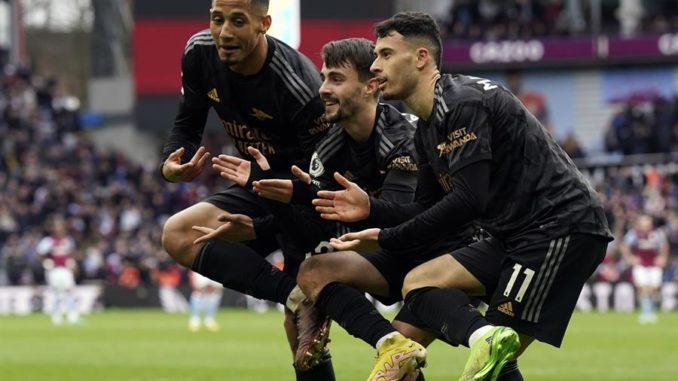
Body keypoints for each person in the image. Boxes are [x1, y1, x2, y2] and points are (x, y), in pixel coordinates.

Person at [313, 11, 613, 381]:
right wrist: (372, 209)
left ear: (421, 58)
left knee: (491, 366)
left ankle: (484, 338)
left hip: (558, 229)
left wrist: (387, 238)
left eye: (386, 54)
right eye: (375, 56)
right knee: (419, 284)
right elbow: (424, 206)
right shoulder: (426, 127)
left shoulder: (461, 103)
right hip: (511, 235)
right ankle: (482, 336)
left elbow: (468, 200)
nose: (375, 66)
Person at [197, 38, 476, 379]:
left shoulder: (403, 138)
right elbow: (313, 230)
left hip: (445, 256)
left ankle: (397, 343)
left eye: (336, 79)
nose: (324, 89)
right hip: (397, 257)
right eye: (324, 78)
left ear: (371, 85)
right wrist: (273, 196)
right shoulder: (329, 148)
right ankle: (390, 342)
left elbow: (405, 221)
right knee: (311, 276)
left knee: (406, 366)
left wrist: (356, 214)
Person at [158, 1, 330, 379]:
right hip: (255, 184)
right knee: (178, 234)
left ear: (264, 24)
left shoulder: (299, 85)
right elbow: (187, 122)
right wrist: (172, 162)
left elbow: (322, 179)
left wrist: (264, 226)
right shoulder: (199, 53)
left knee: (300, 333)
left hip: (302, 195)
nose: (224, 32)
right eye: (217, 19)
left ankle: (302, 307)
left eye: (238, 21)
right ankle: (295, 297)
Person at [619, 214, 669, 324]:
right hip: (641, 264)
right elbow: (624, 245)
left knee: (654, 288)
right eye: (643, 224)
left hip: (654, 264)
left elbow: (664, 246)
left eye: (647, 224)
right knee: (642, 288)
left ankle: (651, 311)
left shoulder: (657, 233)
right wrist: (630, 258)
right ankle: (645, 313)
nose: (645, 226)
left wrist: (663, 257)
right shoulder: (634, 233)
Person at [36, 217, 80, 326]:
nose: (59, 228)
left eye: (60, 226)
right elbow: (40, 253)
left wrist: (73, 264)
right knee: (56, 292)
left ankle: (72, 315)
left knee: (70, 291)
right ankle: (56, 316)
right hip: (54, 270)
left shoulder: (68, 240)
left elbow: (72, 253)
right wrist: (46, 262)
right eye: (57, 226)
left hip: (66, 269)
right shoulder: (48, 241)